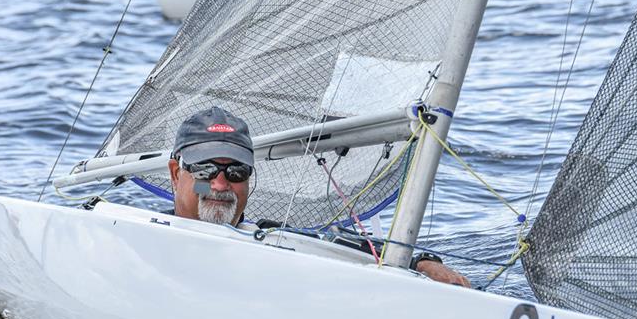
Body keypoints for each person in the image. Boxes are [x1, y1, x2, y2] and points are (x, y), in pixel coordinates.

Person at [168, 107, 471, 287]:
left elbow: (355, 250)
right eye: (205, 171)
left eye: (236, 173)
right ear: (175, 173)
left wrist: (421, 262)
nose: (220, 185)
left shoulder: (277, 236)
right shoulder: (134, 232)